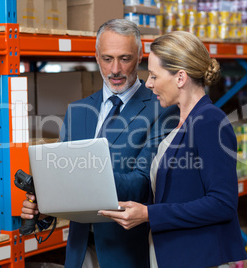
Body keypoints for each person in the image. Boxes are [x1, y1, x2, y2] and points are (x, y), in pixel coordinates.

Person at [21, 19, 179, 268]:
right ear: (96, 57)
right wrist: (45, 204)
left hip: (127, 250)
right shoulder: (78, 111)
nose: (115, 69)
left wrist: (82, 173)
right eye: (107, 59)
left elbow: (144, 184)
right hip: (80, 249)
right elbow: (64, 184)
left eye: (124, 58)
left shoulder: (162, 109)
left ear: (140, 56)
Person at [99, 31, 247, 267]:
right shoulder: (177, 122)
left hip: (199, 258)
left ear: (180, 78)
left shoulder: (209, 122)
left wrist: (149, 214)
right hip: (173, 253)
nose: (148, 83)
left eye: (154, 76)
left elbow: (223, 203)